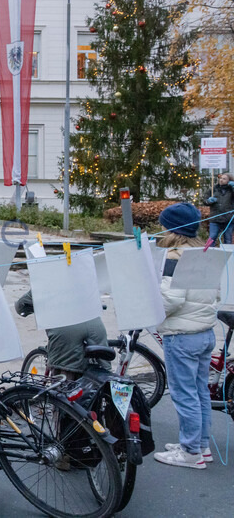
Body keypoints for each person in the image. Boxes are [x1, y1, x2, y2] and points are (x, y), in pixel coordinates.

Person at [153, 203, 218, 469]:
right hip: (204, 332)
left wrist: (149, 309)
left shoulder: (174, 257)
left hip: (181, 335)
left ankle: (190, 453)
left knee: (184, 395)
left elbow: (171, 300)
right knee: (200, 392)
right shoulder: (204, 254)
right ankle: (201, 446)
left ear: (170, 228)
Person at [204, 173, 234, 244]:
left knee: (228, 239)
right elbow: (204, 200)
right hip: (215, 218)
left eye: (224, 179)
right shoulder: (213, 189)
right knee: (212, 237)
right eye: (220, 178)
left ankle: (226, 251)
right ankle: (209, 250)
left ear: (229, 181)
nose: (221, 180)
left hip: (228, 219)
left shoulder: (231, 190)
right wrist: (208, 201)